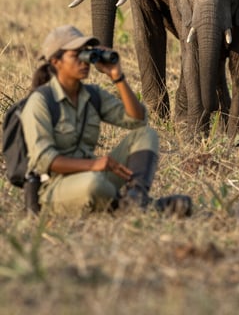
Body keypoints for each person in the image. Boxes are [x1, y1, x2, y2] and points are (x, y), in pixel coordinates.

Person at [20, 25, 192, 216]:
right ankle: (147, 208)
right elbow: (45, 160)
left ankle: (136, 198)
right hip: (56, 186)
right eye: (75, 55)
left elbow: (137, 120)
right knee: (93, 185)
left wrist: (117, 76)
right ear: (56, 61)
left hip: (92, 176)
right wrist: (93, 165)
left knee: (146, 134)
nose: (84, 61)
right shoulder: (40, 102)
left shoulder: (91, 95)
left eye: (86, 54)